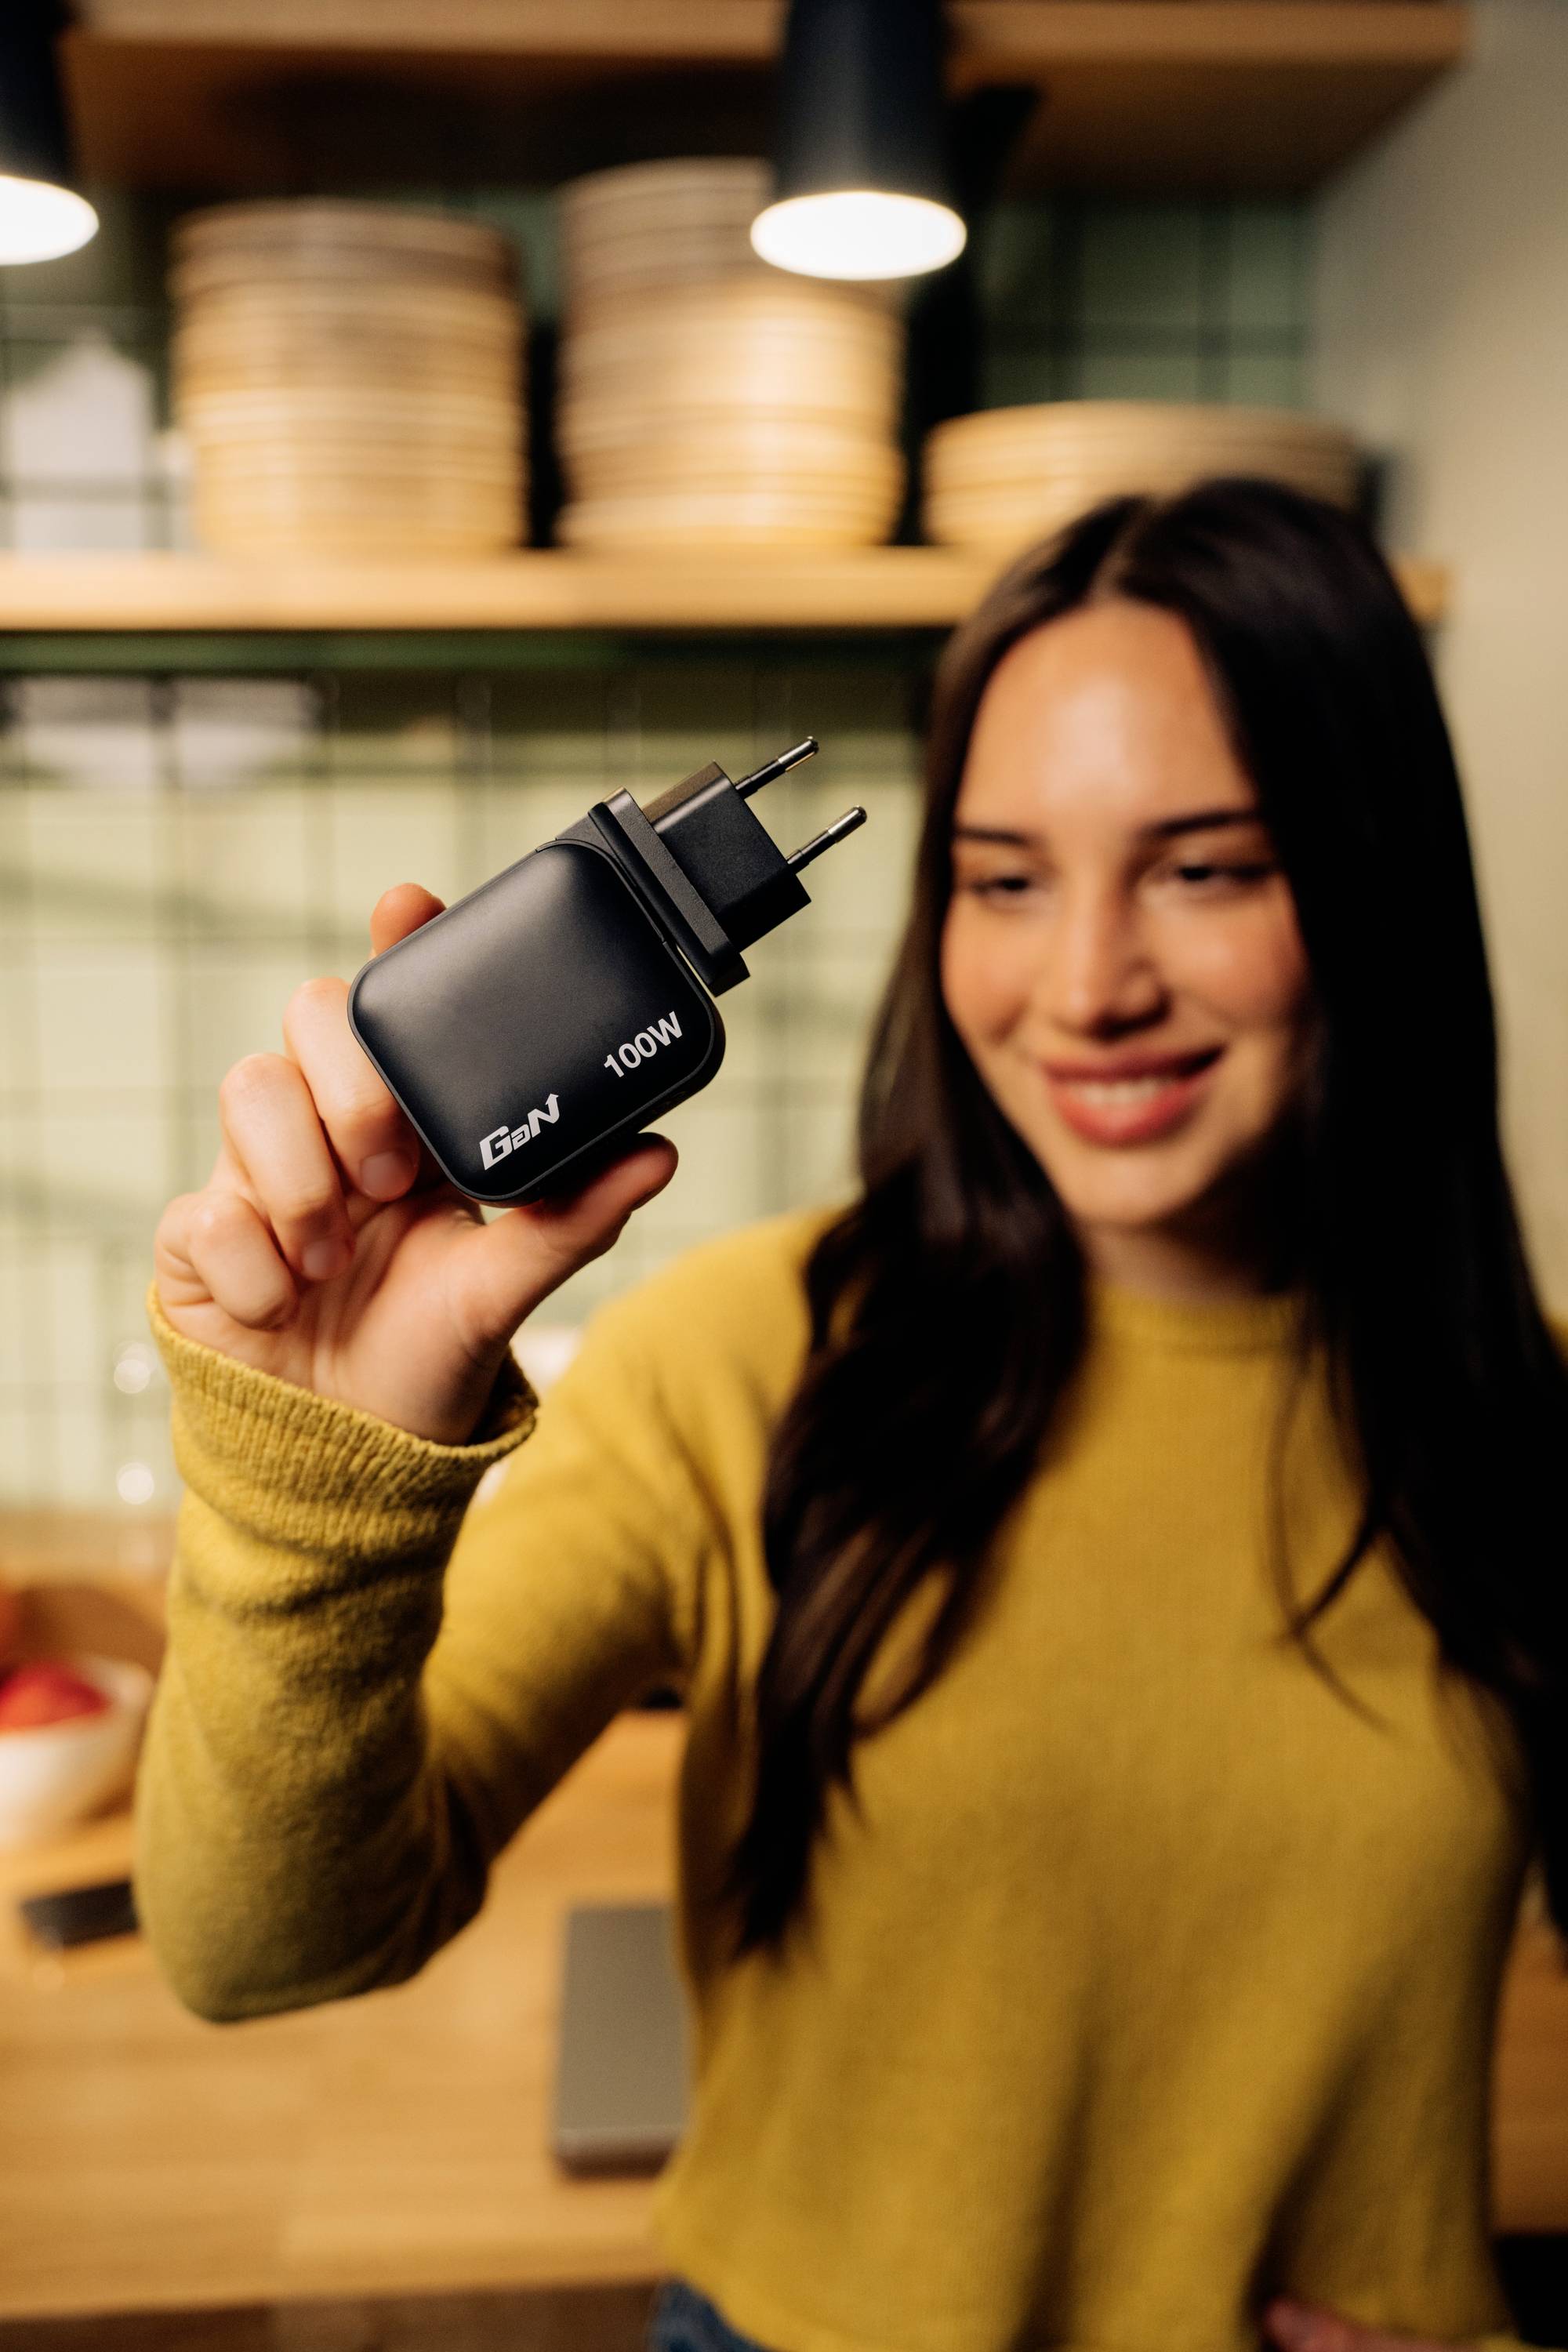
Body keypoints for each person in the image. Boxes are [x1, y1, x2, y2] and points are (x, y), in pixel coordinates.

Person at [140, 479, 1568, 2352]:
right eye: (1002, 877)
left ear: (1365, 875)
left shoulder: (1526, 1416)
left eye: (1206, 867)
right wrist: (302, 1481)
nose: (1085, 989)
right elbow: (264, 1950)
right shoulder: (735, 1365)